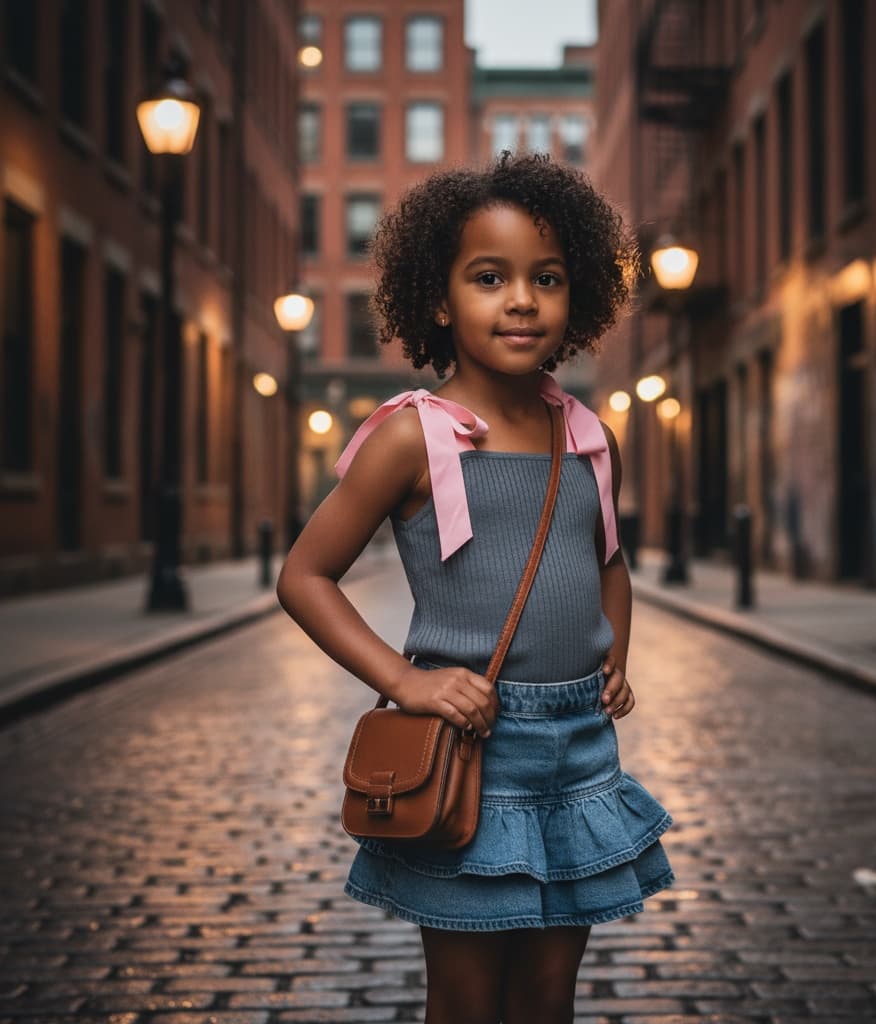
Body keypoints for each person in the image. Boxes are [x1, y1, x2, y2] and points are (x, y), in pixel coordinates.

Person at [276, 151, 674, 1024]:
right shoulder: (411, 437)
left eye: (548, 278)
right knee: (464, 998)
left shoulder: (587, 434)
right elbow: (304, 577)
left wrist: (617, 652)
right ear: (439, 299)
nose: (522, 299)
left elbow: (607, 558)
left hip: (579, 746)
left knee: (546, 996)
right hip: (472, 750)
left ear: (582, 299)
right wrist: (406, 681)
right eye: (490, 277)